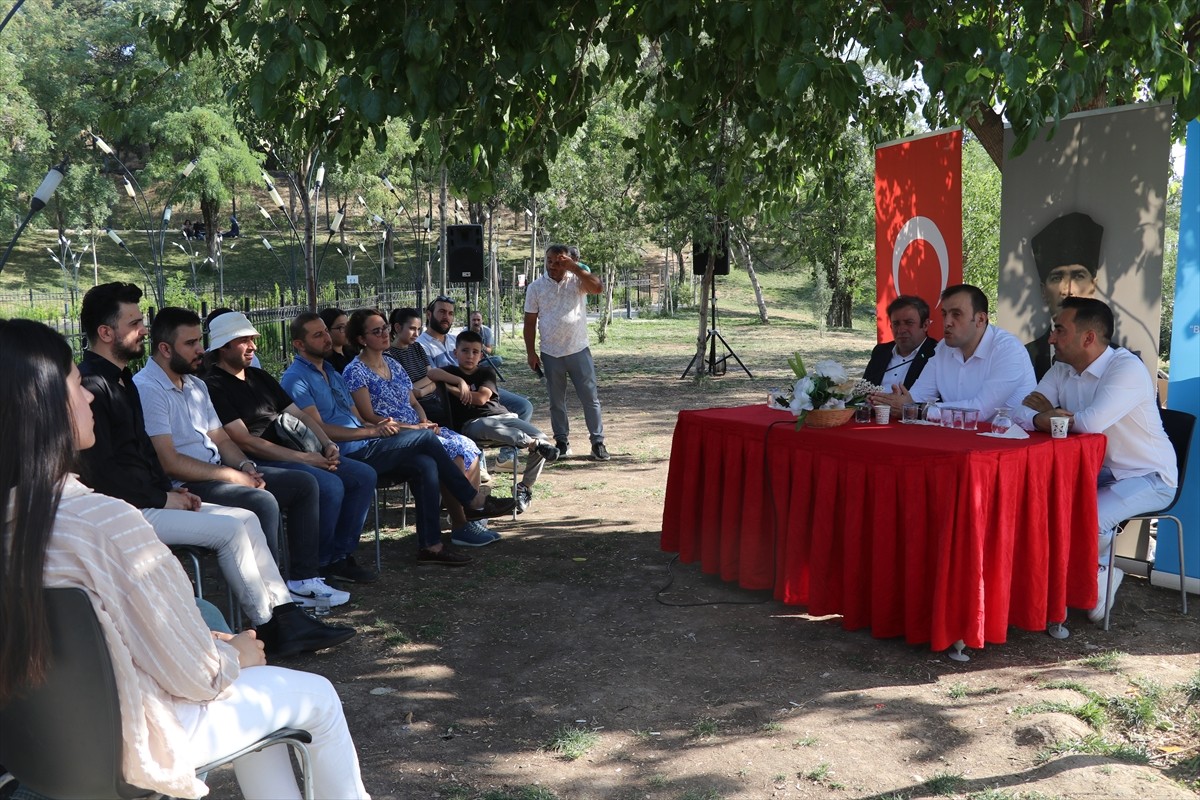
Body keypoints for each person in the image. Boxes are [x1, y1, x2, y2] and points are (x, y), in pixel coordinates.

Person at [0, 318, 370, 800]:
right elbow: (194, 677)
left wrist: (208, 640)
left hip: (44, 751)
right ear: (43, 407)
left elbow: (99, 637)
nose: (89, 396)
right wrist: (231, 655)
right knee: (314, 693)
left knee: (221, 630)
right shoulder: (104, 524)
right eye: (75, 385)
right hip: (136, 740)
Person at [75, 283, 352, 656]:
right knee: (232, 528)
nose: (143, 328)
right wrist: (166, 494)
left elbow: (143, 457)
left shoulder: (120, 380)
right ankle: (270, 627)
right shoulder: (95, 384)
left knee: (246, 519)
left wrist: (182, 489)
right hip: (128, 511)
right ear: (107, 333)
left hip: (155, 496)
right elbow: (106, 472)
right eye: (135, 322)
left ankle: (284, 615)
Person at [134, 307, 347, 609]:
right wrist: (235, 476)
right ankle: (272, 605)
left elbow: (221, 438)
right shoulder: (148, 389)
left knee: (303, 484)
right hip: (185, 485)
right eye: (191, 343)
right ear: (165, 349)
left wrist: (247, 466)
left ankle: (302, 581)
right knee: (261, 500)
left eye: (200, 341)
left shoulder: (195, 384)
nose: (201, 350)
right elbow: (170, 462)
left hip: (218, 473)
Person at [280, 312, 515, 567]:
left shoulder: (331, 372)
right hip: (348, 452)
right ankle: (471, 500)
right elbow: (320, 429)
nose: (327, 338)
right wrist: (375, 430)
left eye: (326, 331)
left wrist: (381, 427)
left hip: (370, 442)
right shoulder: (297, 378)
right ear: (299, 344)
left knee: (425, 463)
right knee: (425, 439)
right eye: (318, 335)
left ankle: (431, 546)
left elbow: (359, 415)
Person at [1011, 297, 1176, 623]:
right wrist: (1047, 417)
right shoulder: (1061, 369)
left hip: (1150, 476)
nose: (1051, 338)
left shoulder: (1125, 367)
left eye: (1059, 329)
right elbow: (1019, 411)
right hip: (1096, 473)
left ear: (1088, 338)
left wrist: (1048, 416)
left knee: (1089, 517)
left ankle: (1101, 574)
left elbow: (1091, 423)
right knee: (1038, 503)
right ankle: (1069, 582)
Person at [203, 311, 379, 584]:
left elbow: (300, 414)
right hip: (261, 461)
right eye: (245, 341)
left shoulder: (259, 377)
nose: (254, 347)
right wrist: (306, 459)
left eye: (253, 339)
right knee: (328, 484)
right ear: (223, 346)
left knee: (362, 475)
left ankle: (339, 556)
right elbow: (244, 440)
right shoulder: (212, 385)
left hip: (297, 450)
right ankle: (315, 566)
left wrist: (326, 443)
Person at [341, 309, 496, 548]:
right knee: (447, 452)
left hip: (419, 428)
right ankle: (462, 520)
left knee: (467, 445)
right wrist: (415, 427)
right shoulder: (355, 371)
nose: (384, 333)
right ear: (361, 339)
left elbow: (413, 400)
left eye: (384, 327)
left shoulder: (392, 362)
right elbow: (369, 416)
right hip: (390, 435)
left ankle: (468, 517)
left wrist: (424, 421)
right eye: (376, 331)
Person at [871, 284, 1035, 424]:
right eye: (944, 314)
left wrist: (918, 409)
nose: (947, 322)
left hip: (1009, 445)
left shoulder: (1008, 350)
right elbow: (917, 396)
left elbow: (979, 410)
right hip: (958, 439)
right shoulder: (943, 347)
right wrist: (889, 401)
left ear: (980, 319)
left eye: (956, 314)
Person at [444, 329, 560, 513]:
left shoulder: (486, 372)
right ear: (455, 353)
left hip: (504, 418)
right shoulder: (448, 370)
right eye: (465, 351)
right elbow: (432, 373)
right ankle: (531, 443)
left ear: (481, 355)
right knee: (486, 425)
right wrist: (458, 381)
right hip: (473, 425)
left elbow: (481, 398)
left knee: (544, 440)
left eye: (475, 352)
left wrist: (453, 390)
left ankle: (524, 488)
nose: (470, 356)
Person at [525, 243, 609, 460]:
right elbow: (529, 322)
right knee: (556, 401)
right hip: (550, 353)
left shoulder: (579, 281)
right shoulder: (536, 287)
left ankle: (597, 442)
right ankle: (561, 441)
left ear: (570, 262)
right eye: (549, 261)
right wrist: (531, 352)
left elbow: (598, 288)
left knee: (590, 398)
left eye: (559, 261)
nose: (553, 266)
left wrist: (575, 268)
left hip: (578, 349)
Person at [417, 294, 534, 423]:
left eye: (451, 313)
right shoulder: (421, 345)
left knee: (524, 406)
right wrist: (460, 382)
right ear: (429, 314)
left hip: (477, 385)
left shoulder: (455, 339)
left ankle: (504, 442)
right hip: (453, 395)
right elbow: (433, 376)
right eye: (442, 312)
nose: (447, 317)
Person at [1025, 212, 1104, 380]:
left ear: (1093, 285)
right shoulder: (1023, 356)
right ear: (1043, 290)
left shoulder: (1119, 360)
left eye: (1078, 276)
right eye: (1057, 277)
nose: (1068, 290)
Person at [386, 306, 464, 427]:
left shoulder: (417, 347)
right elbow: (404, 390)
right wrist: (425, 388)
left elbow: (432, 376)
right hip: (414, 408)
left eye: (419, 329)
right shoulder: (389, 355)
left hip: (434, 399)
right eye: (412, 329)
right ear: (397, 327)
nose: (416, 334)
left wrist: (421, 392)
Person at [863, 294, 939, 391]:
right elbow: (864, 389)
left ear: (925, 325)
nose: (901, 330)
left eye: (909, 323)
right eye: (896, 324)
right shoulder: (881, 351)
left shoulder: (935, 353)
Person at [320, 307, 353, 373]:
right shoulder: (326, 362)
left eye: (348, 326)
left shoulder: (353, 352)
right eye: (341, 327)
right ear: (327, 330)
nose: (347, 331)